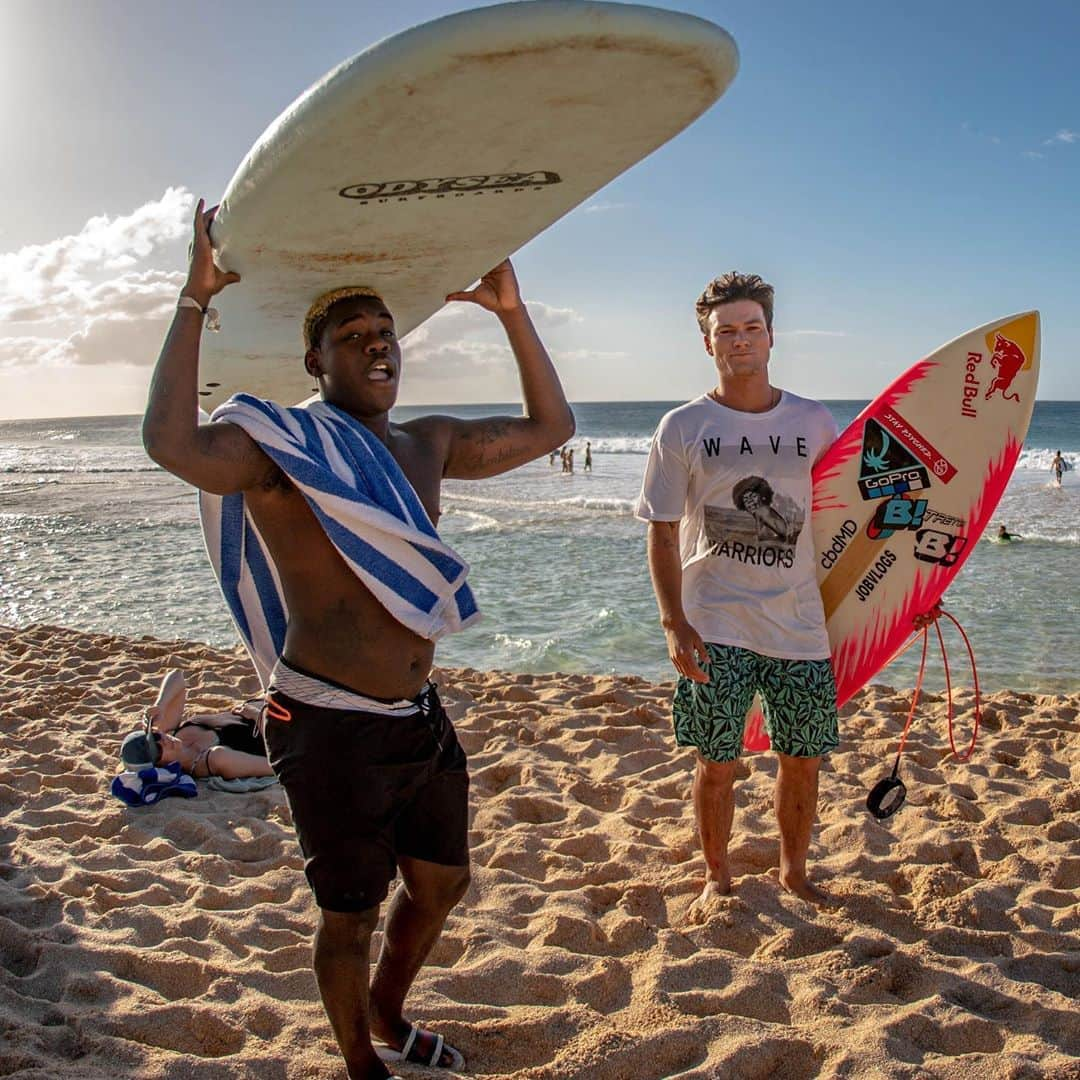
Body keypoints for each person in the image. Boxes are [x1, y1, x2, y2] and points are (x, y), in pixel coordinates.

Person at [142, 200, 573, 1080]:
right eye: (353, 335)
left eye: (386, 331)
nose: (379, 344)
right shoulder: (281, 455)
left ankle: (386, 1008)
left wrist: (512, 314)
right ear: (315, 361)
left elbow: (552, 430)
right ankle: (361, 1063)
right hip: (328, 723)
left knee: (442, 883)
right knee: (348, 917)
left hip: (417, 715)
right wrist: (193, 300)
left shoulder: (427, 444)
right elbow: (171, 440)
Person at [636, 270, 839, 914]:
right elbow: (662, 533)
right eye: (727, 330)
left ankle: (793, 873)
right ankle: (717, 877)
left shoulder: (814, 420)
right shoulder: (682, 426)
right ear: (708, 343)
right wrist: (674, 623)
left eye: (752, 328)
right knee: (717, 761)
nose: (740, 339)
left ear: (772, 336)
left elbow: (847, 520)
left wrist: (910, 593)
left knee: (802, 758)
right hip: (714, 620)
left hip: (800, 622)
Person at [119, 669, 274, 780]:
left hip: (270, 697)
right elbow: (278, 765)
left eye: (154, 736)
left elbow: (177, 676)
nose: (163, 741)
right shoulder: (215, 759)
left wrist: (160, 705)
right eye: (157, 749)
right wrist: (257, 716)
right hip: (287, 720)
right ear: (160, 767)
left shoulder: (173, 733)